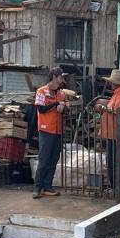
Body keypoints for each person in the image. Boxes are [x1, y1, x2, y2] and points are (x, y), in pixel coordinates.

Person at [33, 67, 69, 199]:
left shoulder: (62, 93)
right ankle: (37, 188)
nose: (62, 79)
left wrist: (64, 106)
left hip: (57, 130)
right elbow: (41, 109)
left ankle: (47, 186)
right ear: (54, 77)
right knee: (44, 159)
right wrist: (56, 104)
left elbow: (65, 108)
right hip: (46, 130)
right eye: (60, 77)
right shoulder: (41, 91)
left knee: (54, 159)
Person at [95, 69, 120, 189]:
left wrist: (103, 107)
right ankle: (113, 186)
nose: (110, 84)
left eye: (112, 82)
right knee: (110, 160)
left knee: (114, 161)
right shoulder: (117, 93)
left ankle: (116, 187)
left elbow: (117, 111)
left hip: (116, 133)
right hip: (111, 132)